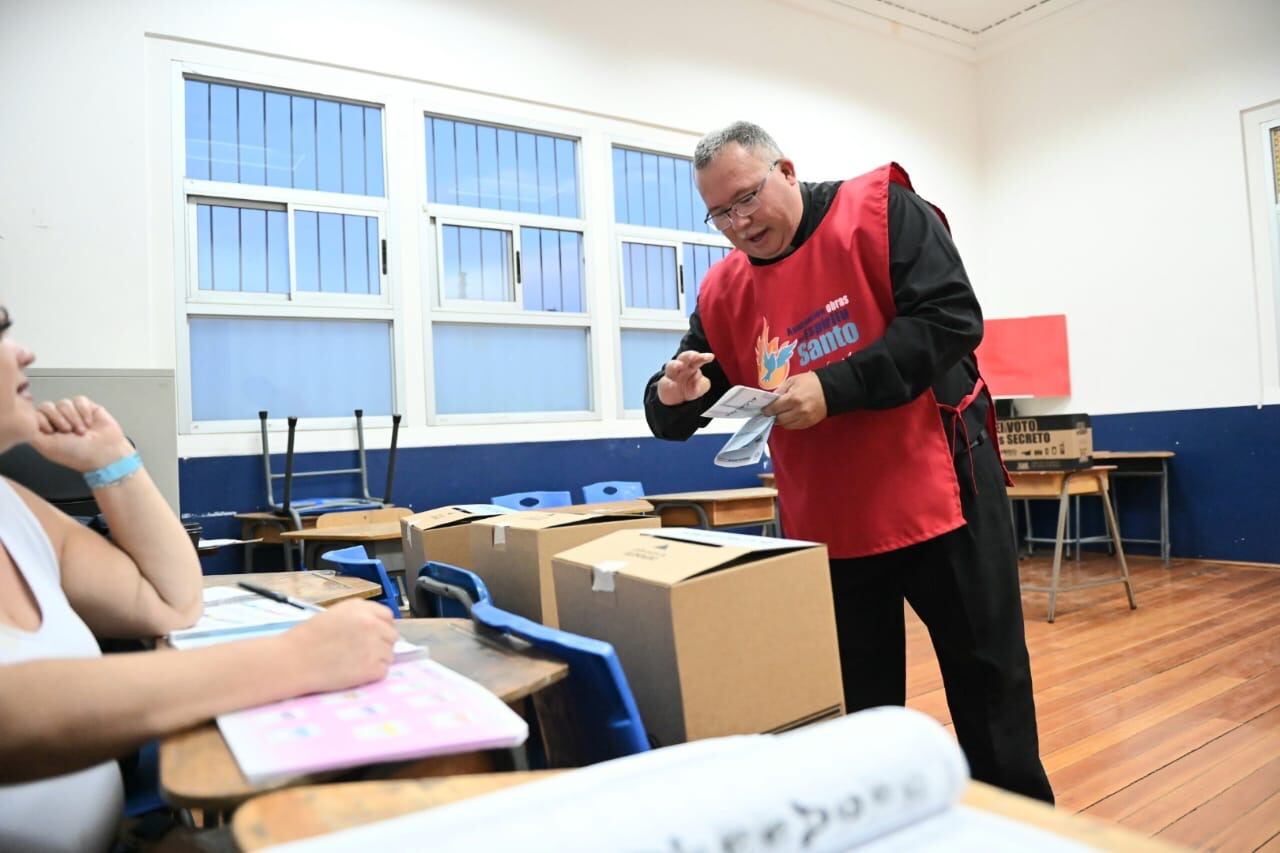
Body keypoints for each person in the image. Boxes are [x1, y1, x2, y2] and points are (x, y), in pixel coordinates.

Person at [644, 122, 1054, 803]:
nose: (739, 223)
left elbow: (950, 319)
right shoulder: (724, 292)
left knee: (990, 698)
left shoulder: (880, 214)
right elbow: (683, 399)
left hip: (940, 494)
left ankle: (1020, 834)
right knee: (860, 718)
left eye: (747, 198)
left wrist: (834, 388)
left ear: (786, 170)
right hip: (829, 524)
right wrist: (669, 396)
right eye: (720, 213)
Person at [0, 306, 400, 852]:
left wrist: (112, 460)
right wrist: (295, 660)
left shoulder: (14, 507)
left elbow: (171, 602)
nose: (24, 352)